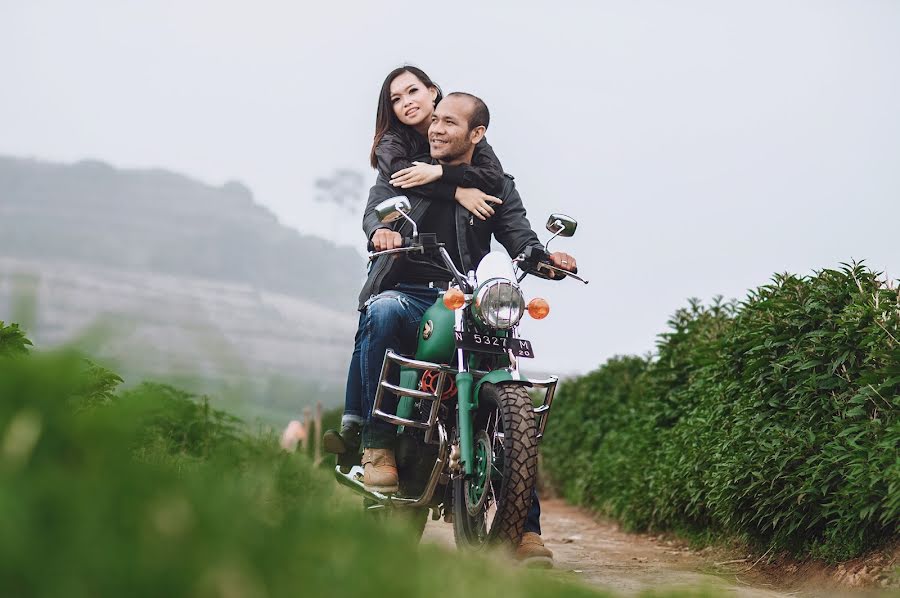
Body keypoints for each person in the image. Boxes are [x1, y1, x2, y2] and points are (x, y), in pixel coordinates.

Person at [349, 90, 577, 566]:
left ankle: (524, 529)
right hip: (412, 292)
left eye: (449, 123)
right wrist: (382, 230)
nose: (435, 129)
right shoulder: (407, 170)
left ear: (476, 134)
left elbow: (518, 234)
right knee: (383, 312)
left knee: (507, 379)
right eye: (435, 121)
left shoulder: (495, 183)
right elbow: (380, 208)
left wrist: (544, 259)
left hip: (471, 294)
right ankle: (378, 445)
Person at [324, 66, 509, 459]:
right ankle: (363, 430)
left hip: (466, 289)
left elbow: (495, 182)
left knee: (506, 355)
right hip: (407, 285)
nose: (407, 102)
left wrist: (443, 173)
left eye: (413, 91)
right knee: (379, 311)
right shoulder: (396, 143)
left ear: (434, 92)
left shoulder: (474, 141)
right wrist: (455, 190)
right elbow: (388, 191)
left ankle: (524, 515)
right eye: (396, 98)